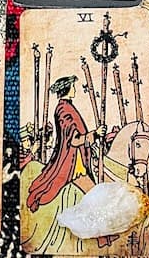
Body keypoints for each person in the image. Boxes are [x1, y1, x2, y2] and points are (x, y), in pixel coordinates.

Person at [26, 76, 106, 211]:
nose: (74, 89)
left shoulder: (67, 107)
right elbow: (73, 140)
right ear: (67, 89)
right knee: (94, 196)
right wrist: (95, 134)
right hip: (73, 161)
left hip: (80, 157)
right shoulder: (64, 109)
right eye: (73, 87)